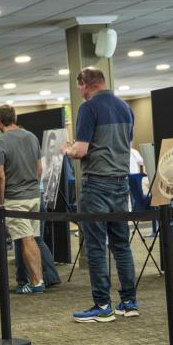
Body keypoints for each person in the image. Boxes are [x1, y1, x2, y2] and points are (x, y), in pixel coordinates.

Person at [62, 66, 138, 323]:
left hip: (97, 184)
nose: (80, 92)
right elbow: (125, 145)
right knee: (121, 244)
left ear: (85, 84)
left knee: (95, 246)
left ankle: (102, 305)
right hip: (121, 183)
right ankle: (129, 301)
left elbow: (82, 150)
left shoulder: (89, 108)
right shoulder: (125, 108)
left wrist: (67, 149)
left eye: (80, 87)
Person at [0, 104, 44, 295]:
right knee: (30, 239)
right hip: (33, 196)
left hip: (16, 198)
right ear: (15, 117)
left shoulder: (1, 141)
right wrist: (33, 185)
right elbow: (40, 168)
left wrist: (1, 200)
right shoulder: (31, 136)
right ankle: (34, 280)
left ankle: (38, 282)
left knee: (27, 239)